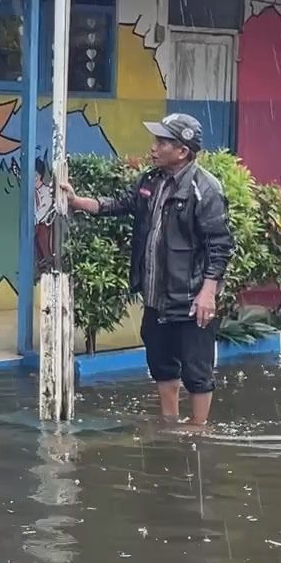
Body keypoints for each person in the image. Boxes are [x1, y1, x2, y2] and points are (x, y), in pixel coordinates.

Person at [57, 113, 233, 426]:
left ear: (182, 151)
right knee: (161, 364)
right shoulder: (151, 181)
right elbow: (121, 203)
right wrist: (78, 201)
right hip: (156, 296)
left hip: (191, 299)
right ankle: (169, 423)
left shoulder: (205, 189)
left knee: (197, 369)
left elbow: (219, 245)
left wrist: (208, 293)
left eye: (162, 142)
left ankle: (198, 431)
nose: (154, 147)